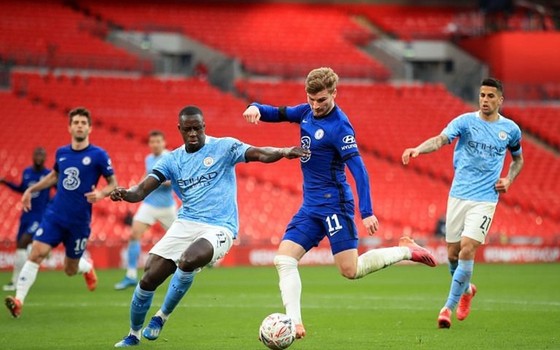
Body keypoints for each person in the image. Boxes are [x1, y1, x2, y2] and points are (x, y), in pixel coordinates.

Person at [242, 67, 436, 339]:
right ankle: (294, 323)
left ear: (334, 93)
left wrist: (366, 211)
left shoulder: (340, 126)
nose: (315, 105)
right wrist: (255, 108)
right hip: (310, 207)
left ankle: (405, 251)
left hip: (335, 205)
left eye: (321, 100)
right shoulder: (306, 112)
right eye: (311, 99)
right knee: (283, 260)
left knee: (350, 270)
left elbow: (359, 170)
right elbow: (278, 112)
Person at [111, 105, 308, 347]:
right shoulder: (172, 160)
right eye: (188, 129)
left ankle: (161, 316)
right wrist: (126, 194)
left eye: (197, 128)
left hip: (220, 226)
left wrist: (284, 151)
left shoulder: (224, 147)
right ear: (180, 129)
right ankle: (133, 334)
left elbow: (258, 153)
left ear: (204, 126)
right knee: (149, 278)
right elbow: (141, 190)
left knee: (189, 259)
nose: (193, 133)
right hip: (186, 222)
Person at [401, 78, 524, 329]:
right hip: (458, 195)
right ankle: (466, 290)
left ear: (500, 100)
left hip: (485, 198)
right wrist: (418, 149)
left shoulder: (510, 129)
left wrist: (509, 179)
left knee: (468, 248)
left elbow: (518, 160)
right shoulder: (465, 122)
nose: (485, 100)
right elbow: (440, 139)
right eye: (482, 95)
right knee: (453, 254)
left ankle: (447, 307)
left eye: (491, 96)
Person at [4, 107, 118, 318]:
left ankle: (86, 267)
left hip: (79, 221)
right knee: (36, 253)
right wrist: (30, 189)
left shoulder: (99, 155)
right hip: (55, 215)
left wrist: (101, 193)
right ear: (69, 127)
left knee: (69, 269)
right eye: (76, 122)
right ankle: (19, 300)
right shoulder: (62, 153)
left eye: (83, 123)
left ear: (90, 128)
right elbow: (53, 177)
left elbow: (113, 183)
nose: (79, 126)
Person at [114, 130, 177, 290]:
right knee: (134, 234)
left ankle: (203, 261)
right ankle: (130, 275)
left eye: (158, 141)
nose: (155, 144)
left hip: (167, 207)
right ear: (149, 144)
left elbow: (174, 180)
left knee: (184, 238)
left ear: (164, 143)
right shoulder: (148, 158)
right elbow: (145, 177)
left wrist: (157, 181)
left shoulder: (170, 157)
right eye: (152, 142)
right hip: (149, 205)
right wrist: (133, 189)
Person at [1, 147, 52, 291]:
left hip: (39, 215)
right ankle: (14, 281)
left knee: (24, 242)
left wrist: (52, 205)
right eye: (37, 154)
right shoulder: (27, 172)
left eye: (41, 155)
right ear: (33, 156)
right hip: (26, 214)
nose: (39, 157)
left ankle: (21, 281)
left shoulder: (49, 175)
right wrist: (6, 183)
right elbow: (22, 189)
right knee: (20, 246)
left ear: (45, 158)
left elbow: (58, 190)